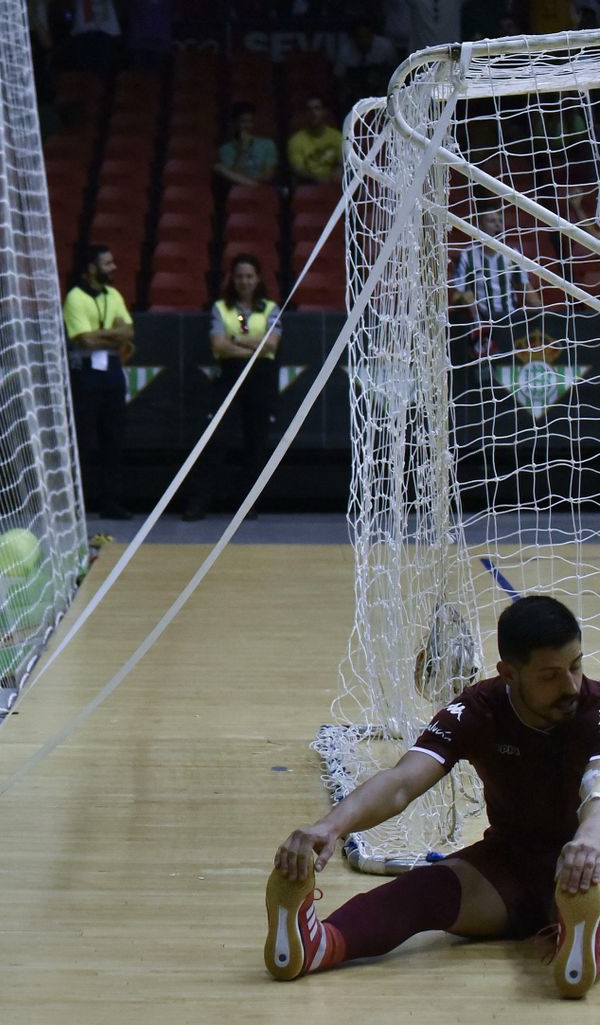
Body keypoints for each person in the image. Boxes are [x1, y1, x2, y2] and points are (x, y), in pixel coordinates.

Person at [265, 595, 600, 998]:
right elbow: (402, 782)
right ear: (509, 673)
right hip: (513, 868)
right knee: (423, 892)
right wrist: (330, 826)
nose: (571, 687)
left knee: (589, 876)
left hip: (592, 857)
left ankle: (583, 930)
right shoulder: (476, 711)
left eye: (576, 666)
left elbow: (597, 790)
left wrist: (587, 843)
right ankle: (318, 945)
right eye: (550, 676)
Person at [183, 253, 280, 521]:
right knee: (216, 439)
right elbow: (218, 345)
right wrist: (252, 345)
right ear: (232, 279)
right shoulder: (221, 308)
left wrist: (235, 340)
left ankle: (248, 504)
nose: (244, 281)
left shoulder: (270, 308)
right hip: (229, 376)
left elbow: (271, 344)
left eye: (249, 276)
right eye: (239, 276)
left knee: (256, 442)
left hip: (260, 379)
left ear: (257, 279)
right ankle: (199, 502)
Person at [63, 242, 134, 520]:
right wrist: (112, 334)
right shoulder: (75, 297)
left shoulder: (113, 294)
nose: (113, 267)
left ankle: (111, 501)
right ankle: (74, 503)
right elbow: (83, 340)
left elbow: (128, 333)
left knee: (113, 440)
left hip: (113, 373)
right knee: (83, 440)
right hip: (86, 374)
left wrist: (102, 335)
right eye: (107, 263)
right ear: (91, 268)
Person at [449, 206, 535, 360]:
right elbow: (456, 296)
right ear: (479, 226)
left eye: (500, 221)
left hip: (509, 321)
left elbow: (528, 293)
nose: (497, 225)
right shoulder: (468, 256)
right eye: (491, 221)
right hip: (481, 325)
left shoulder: (512, 254)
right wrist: (466, 299)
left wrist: (547, 315)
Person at [214, 102, 278, 189]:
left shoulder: (267, 144)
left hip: (262, 190)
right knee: (218, 168)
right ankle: (253, 185)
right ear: (235, 123)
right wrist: (243, 150)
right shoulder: (226, 149)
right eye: (243, 122)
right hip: (238, 191)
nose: (247, 126)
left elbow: (268, 176)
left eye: (250, 121)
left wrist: (245, 178)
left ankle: (253, 185)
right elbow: (232, 179)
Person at [287, 97, 342, 185]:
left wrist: (337, 172)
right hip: (308, 185)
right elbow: (299, 170)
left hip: (334, 183)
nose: (313, 113)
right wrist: (320, 180)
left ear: (324, 112)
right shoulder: (296, 140)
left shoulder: (337, 136)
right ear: (305, 114)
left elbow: (342, 163)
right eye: (309, 110)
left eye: (317, 108)